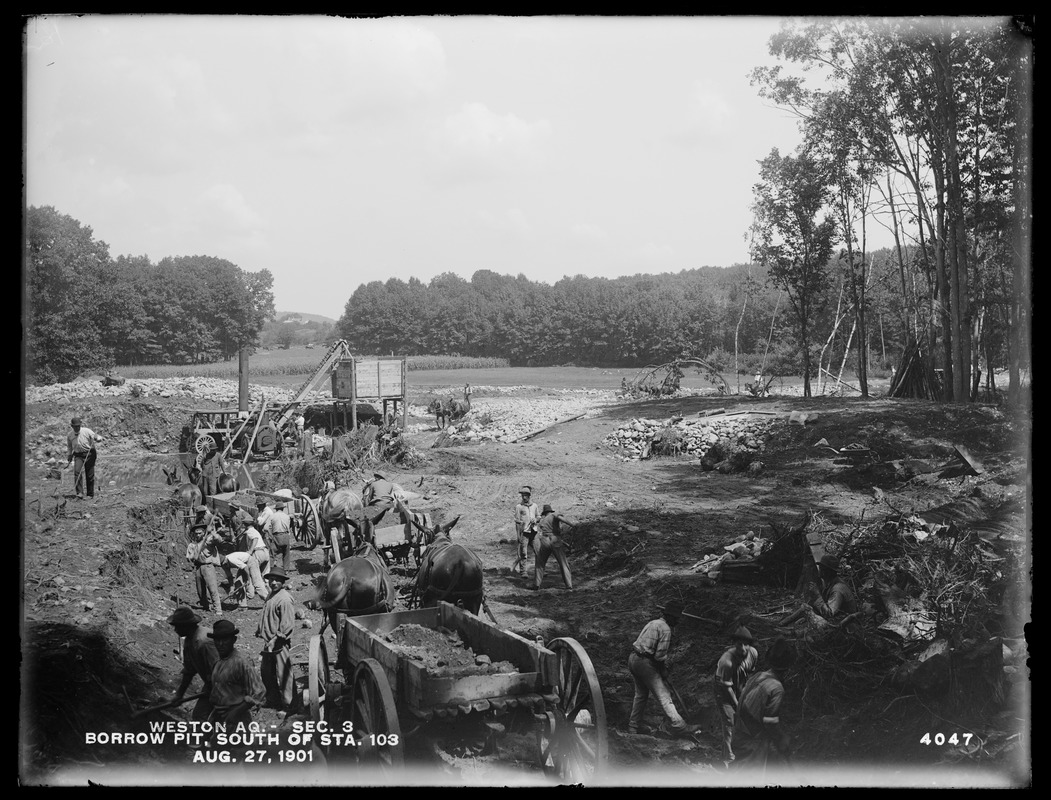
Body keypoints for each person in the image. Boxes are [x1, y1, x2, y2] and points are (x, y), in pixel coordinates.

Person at [627, 599, 692, 738]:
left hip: (633, 658)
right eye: (677, 618)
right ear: (670, 616)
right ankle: (679, 726)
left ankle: (633, 727)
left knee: (640, 695)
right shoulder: (666, 629)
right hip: (644, 662)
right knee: (664, 695)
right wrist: (663, 671)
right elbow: (659, 656)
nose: (678, 621)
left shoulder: (653, 622)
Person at [733, 637, 796, 774]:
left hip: (739, 732)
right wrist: (781, 739)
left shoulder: (758, 675)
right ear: (788, 668)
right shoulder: (776, 688)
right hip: (752, 739)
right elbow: (770, 722)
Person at [713, 626, 759, 765]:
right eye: (740, 644)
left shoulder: (753, 654)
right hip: (723, 690)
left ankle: (743, 752)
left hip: (740, 686)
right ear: (734, 644)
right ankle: (728, 759)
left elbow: (749, 674)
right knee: (730, 722)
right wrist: (737, 704)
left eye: (746, 644)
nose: (743, 648)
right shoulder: (726, 661)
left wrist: (746, 695)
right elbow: (727, 688)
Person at [207, 620, 265, 727]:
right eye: (217, 640)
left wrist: (236, 711)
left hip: (237, 719)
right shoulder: (217, 661)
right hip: (219, 716)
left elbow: (259, 691)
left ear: (233, 640)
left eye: (225, 640)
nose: (220, 644)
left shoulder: (241, 662)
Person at [167, 606, 219, 721]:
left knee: (225, 718)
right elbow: (189, 671)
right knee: (200, 716)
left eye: (178, 627)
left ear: (186, 626)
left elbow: (220, 668)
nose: (175, 630)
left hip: (227, 684)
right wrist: (179, 694)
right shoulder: (189, 641)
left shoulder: (204, 641)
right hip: (213, 685)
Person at [778, 553, 858, 627]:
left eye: (822, 568)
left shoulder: (837, 589)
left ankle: (784, 625)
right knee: (805, 608)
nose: (820, 570)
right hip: (837, 620)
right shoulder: (830, 584)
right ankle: (783, 623)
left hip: (843, 625)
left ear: (828, 571)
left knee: (806, 613)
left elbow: (829, 613)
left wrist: (817, 595)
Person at [256, 567, 296, 710]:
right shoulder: (271, 595)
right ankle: (273, 699)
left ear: (283, 582)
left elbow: (287, 624)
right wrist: (259, 629)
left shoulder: (284, 599)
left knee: (284, 674)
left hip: (279, 643)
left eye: (277, 580)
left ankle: (289, 705)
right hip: (269, 642)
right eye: (271, 579)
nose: (273, 582)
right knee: (267, 672)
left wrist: (276, 639)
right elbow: (267, 614)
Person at [221, 511, 269, 607]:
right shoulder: (253, 530)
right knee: (261, 578)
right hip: (265, 553)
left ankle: (266, 601)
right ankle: (246, 601)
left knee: (253, 580)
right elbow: (230, 577)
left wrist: (250, 550)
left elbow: (254, 538)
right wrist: (231, 588)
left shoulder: (250, 532)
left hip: (256, 554)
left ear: (244, 525)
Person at [531, 504, 576, 590]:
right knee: (563, 563)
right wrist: (571, 525)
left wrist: (566, 544)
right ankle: (569, 585)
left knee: (540, 563)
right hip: (555, 540)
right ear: (550, 511)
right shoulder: (553, 515)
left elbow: (540, 535)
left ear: (544, 513)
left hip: (544, 541)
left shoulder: (543, 521)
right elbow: (560, 519)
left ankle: (536, 584)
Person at [186, 525, 225, 615]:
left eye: (200, 533)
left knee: (212, 588)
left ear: (203, 533)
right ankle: (205, 606)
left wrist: (211, 532)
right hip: (198, 567)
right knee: (200, 590)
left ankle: (218, 610)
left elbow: (219, 540)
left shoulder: (209, 541)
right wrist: (193, 556)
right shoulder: (192, 545)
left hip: (208, 567)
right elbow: (188, 557)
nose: (198, 535)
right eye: (196, 534)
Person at [66, 417, 103, 499]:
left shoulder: (86, 431)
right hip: (78, 455)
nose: (77, 428)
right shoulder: (70, 435)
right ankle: (79, 493)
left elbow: (96, 436)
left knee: (89, 474)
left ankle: (90, 494)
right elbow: (69, 447)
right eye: (75, 426)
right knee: (77, 472)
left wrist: (98, 438)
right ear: (72, 426)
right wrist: (69, 455)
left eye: (78, 426)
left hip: (89, 453)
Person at [512, 486, 540, 577]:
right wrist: (518, 535)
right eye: (522, 495)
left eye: (526, 495)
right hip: (524, 532)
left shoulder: (534, 506)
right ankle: (523, 571)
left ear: (529, 496)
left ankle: (540, 571)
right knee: (523, 553)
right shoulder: (519, 507)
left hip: (534, 531)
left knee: (538, 552)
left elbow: (538, 516)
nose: (524, 497)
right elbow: (517, 521)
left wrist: (535, 520)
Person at [267, 501, 294, 573]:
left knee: (272, 554)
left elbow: (267, 528)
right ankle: (286, 569)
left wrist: (270, 536)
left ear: (276, 509)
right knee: (286, 553)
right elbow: (289, 527)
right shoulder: (287, 516)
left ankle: (271, 569)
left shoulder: (272, 516)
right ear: (283, 509)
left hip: (276, 536)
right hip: (285, 535)